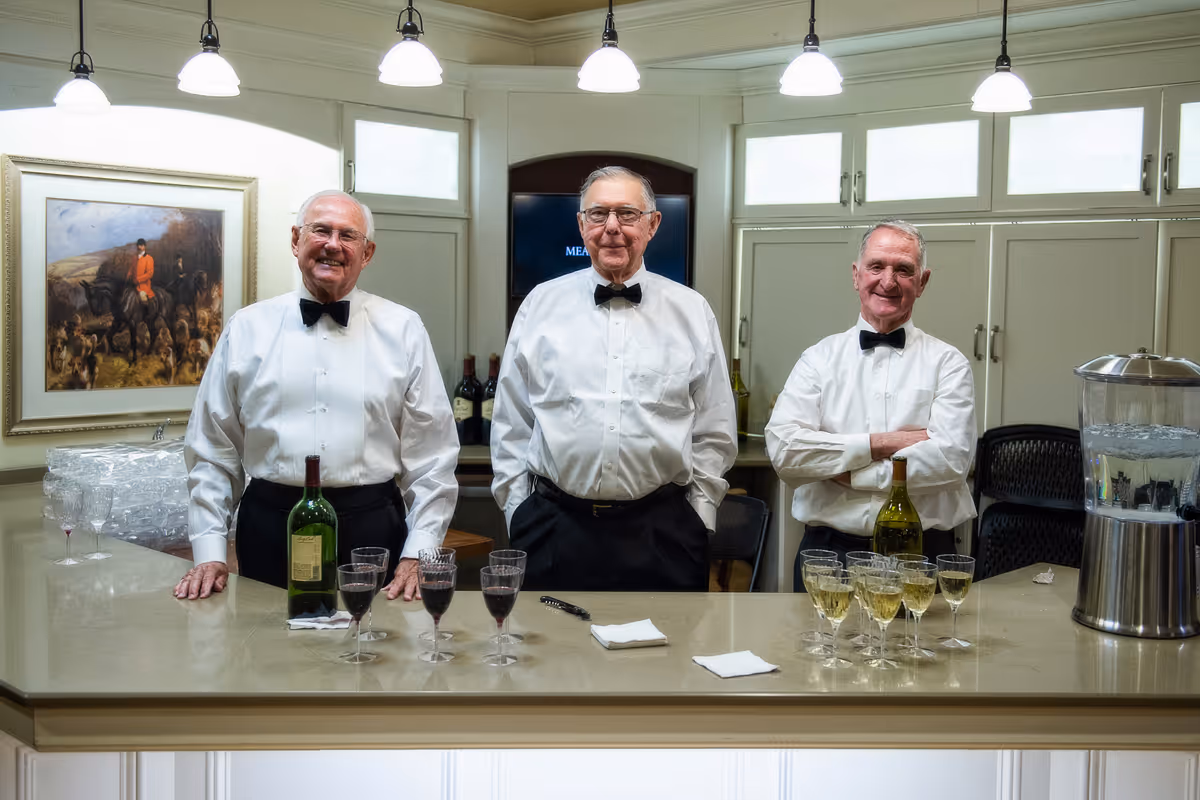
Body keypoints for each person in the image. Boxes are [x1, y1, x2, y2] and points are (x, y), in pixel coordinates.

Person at [175, 190, 459, 602]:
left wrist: (418, 552)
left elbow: (432, 457)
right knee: (266, 655)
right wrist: (209, 551)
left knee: (377, 659)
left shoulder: (404, 329)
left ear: (368, 252)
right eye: (320, 230)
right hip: (270, 527)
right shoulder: (247, 328)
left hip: (373, 533)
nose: (332, 244)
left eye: (348, 235)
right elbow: (212, 449)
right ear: (296, 240)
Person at [490, 166, 738, 592]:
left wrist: (699, 512)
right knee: (550, 655)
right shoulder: (539, 306)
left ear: (653, 224)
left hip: (663, 533)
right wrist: (519, 510)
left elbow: (714, 428)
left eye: (627, 214)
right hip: (553, 527)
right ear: (581, 224)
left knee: (668, 655)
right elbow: (512, 422)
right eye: (598, 214)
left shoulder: (692, 311)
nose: (611, 229)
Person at [764, 219, 976, 589]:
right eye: (877, 266)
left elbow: (951, 460)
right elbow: (786, 453)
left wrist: (843, 469)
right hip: (828, 554)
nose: (888, 281)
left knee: (920, 649)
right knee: (814, 649)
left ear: (922, 282)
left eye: (903, 270)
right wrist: (884, 443)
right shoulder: (817, 359)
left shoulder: (949, 363)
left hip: (921, 557)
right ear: (856, 275)